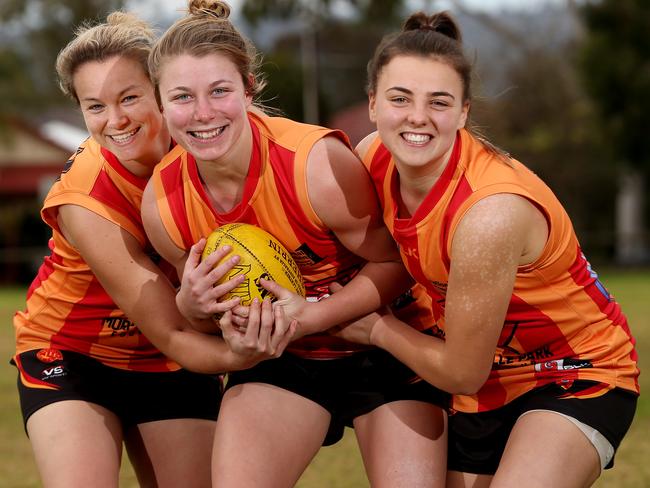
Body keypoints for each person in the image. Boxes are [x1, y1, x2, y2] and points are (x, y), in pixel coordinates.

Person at [141, 1, 450, 486]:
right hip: (283, 359)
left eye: (219, 91)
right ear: (159, 104)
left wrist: (313, 316)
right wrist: (192, 304)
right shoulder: (162, 203)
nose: (202, 114)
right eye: (182, 96)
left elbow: (398, 263)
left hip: (385, 343)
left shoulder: (315, 165)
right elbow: (199, 325)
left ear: (248, 90)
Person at [329, 10, 640, 488]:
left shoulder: (489, 211)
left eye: (438, 102)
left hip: (572, 373)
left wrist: (377, 330)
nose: (417, 117)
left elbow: (460, 371)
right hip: (482, 377)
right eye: (399, 98)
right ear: (372, 104)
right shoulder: (371, 158)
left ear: (463, 112)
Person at [12, 11, 294, 488]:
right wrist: (243, 357)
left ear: (163, 91)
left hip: (171, 358)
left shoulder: (209, 138)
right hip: (75, 353)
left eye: (129, 97)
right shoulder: (86, 198)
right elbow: (170, 328)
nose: (116, 120)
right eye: (94, 106)